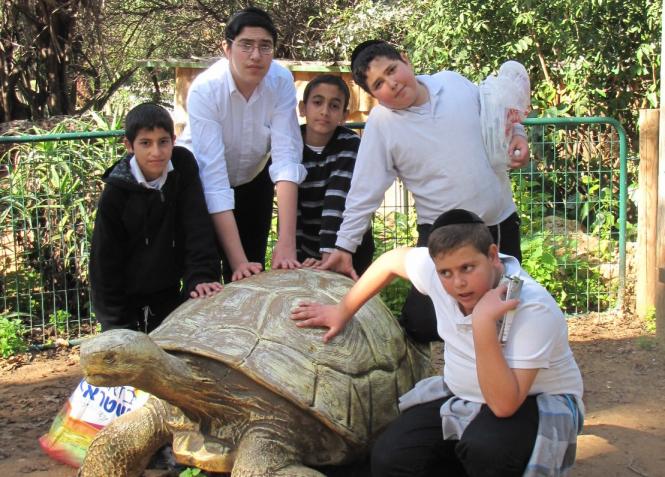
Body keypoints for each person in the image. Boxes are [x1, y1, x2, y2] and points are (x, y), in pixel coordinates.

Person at [292, 208, 584, 477]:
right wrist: (341, 311)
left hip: (531, 401)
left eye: (468, 268)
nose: (458, 283)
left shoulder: (533, 307)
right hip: (464, 396)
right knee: (390, 457)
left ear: (493, 255)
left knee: (488, 451)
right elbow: (391, 261)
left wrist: (482, 323)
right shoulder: (436, 272)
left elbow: (504, 405)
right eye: (446, 273)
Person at [318, 40, 530, 343]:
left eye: (392, 70)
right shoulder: (382, 124)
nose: (392, 83)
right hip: (443, 234)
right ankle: (456, 372)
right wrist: (344, 247)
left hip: (498, 224)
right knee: (422, 323)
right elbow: (364, 192)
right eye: (379, 83)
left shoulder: (453, 83)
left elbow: (498, 115)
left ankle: (510, 378)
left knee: (507, 312)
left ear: (405, 59)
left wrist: (518, 136)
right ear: (372, 95)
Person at [177, 7, 306, 283]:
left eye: (265, 46)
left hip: (253, 176)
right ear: (227, 48)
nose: (256, 56)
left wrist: (286, 242)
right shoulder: (206, 89)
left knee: (252, 272)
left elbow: (286, 159)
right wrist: (237, 262)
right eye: (246, 45)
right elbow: (213, 179)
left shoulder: (281, 80)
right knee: (205, 277)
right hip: (199, 183)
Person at [90, 102, 222, 333]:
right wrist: (115, 325)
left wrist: (201, 277)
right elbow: (104, 263)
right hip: (127, 298)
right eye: (145, 143)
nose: (156, 152)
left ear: (173, 139)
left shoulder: (183, 168)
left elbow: (197, 226)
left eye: (163, 142)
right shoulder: (116, 193)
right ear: (129, 145)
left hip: (170, 291)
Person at [297, 74, 374, 275]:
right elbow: (292, 206)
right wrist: (296, 257)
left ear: (344, 115)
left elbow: (337, 197)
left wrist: (329, 253)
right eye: (317, 102)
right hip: (308, 247)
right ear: (302, 108)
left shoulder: (350, 144)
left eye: (334, 106)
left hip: (348, 248)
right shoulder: (290, 144)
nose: (324, 111)